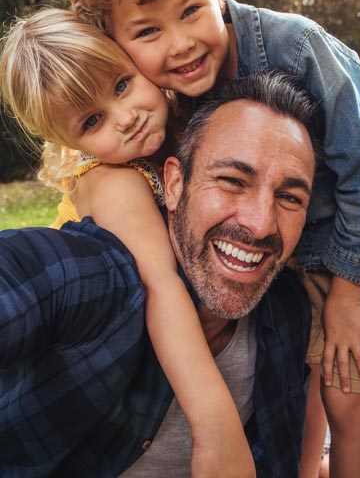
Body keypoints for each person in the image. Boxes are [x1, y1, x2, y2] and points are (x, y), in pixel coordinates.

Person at [60, 0, 360, 476]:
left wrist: (346, 293)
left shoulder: (297, 47)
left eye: (190, 10)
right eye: (147, 32)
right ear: (118, 42)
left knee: (345, 382)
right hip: (292, 239)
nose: (180, 43)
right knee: (302, 370)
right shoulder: (161, 96)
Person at [0, 72, 317, 477]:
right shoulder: (97, 279)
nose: (260, 224)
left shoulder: (288, 311)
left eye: (290, 197)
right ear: (173, 182)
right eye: (232, 181)